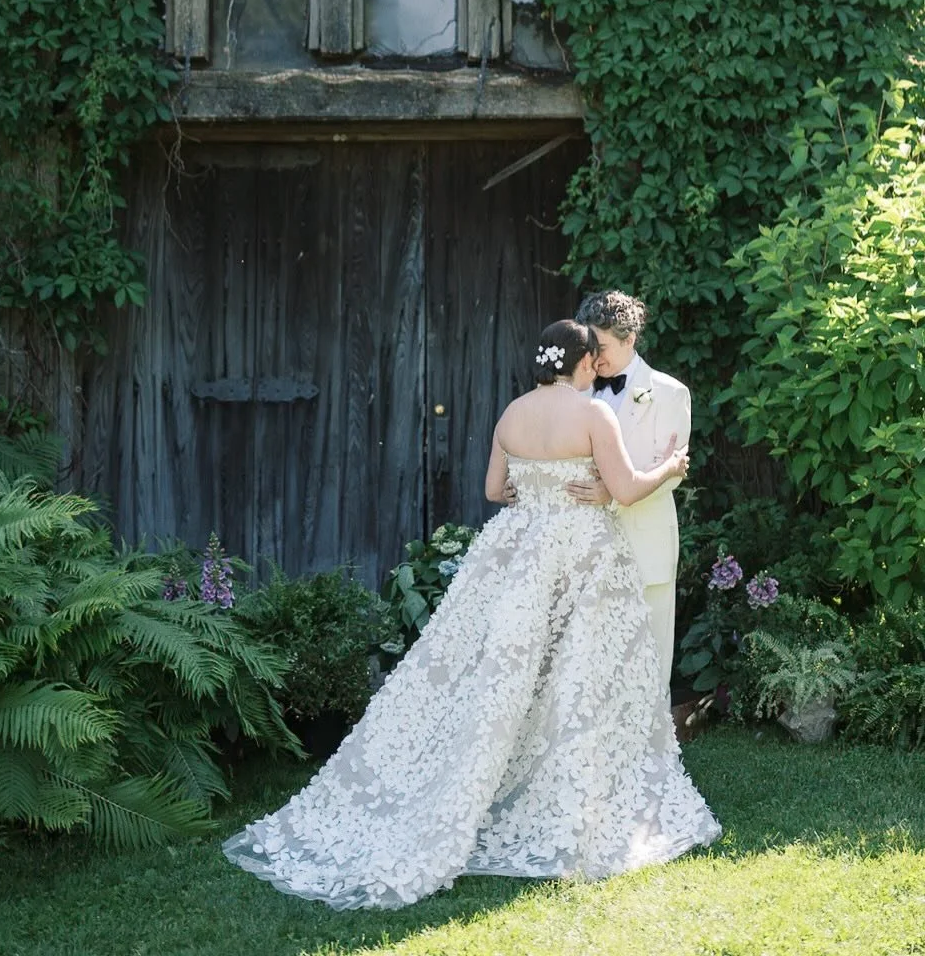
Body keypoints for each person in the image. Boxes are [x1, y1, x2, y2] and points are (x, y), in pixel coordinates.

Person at [221, 319, 720, 909]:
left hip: (520, 557)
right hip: (581, 557)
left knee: (506, 677)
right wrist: (670, 467)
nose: (598, 368)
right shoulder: (593, 414)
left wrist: (538, 496)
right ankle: (572, 799)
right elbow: (629, 488)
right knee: (579, 678)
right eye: (594, 360)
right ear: (583, 362)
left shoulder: (510, 415)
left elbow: (493, 490)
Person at [563, 291, 691, 690]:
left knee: (649, 657)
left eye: (598, 346)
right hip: (588, 550)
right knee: (593, 664)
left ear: (629, 338)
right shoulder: (575, 393)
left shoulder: (669, 393)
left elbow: (670, 471)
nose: (592, 357)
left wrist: (614, 491)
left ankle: (652, 750)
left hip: (645, 544)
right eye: (587, 346)